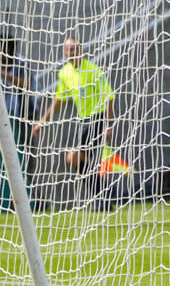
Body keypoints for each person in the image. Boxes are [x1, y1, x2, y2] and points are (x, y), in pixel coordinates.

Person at [32, 34, 116, 202]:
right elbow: (59, 100)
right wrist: (43, 121)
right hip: (84, 121)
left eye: (74, 49)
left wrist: (109, 124)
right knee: (77, 159)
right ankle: (105, 194)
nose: (71, 53)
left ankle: (103, 195)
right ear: (64, 53)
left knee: (74, 156)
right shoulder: (64, 73)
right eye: (68, 50)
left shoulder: (93, 70)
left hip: (98, 118)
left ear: (80, 50)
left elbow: (109, 96)